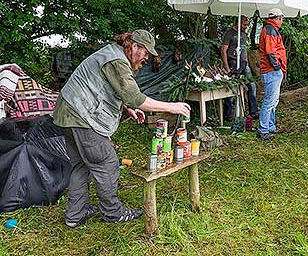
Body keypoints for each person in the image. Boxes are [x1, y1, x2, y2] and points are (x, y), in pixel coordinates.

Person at [53, 30, 191, 227]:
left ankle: (75, 214)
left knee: (81, 166)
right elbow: (134, 96)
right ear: (134, 46)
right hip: (81, 116)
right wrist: (172, 107)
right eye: (145, 52)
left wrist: (129, 109)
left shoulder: (111, 53)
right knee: (106, 162)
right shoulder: (117, 61)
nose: (146, 58)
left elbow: (109, 88)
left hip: (67, 113)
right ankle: (112, 213)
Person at [221, 16, 258, 120]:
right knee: (231, 88)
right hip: (232, 63)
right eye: (244, 24)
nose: (246, 27)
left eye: (247, 24)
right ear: (238, 23)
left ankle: (253, 112)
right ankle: (228, 115)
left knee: (251, 85)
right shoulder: (229, 33)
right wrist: (227, 67)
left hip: (244, 64)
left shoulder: (243, 34)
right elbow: (223, 50)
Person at [257, 8, 286, 140]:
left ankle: (270, 126)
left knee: (273, 101)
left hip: (272, 70)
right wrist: (277, 67)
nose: (282, 21)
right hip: (271, 70)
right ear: (278, 18)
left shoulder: (271, 29)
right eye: (281, 19)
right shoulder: (270, 30)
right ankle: (263, 130)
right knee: (269, 101)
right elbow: (270, 51)